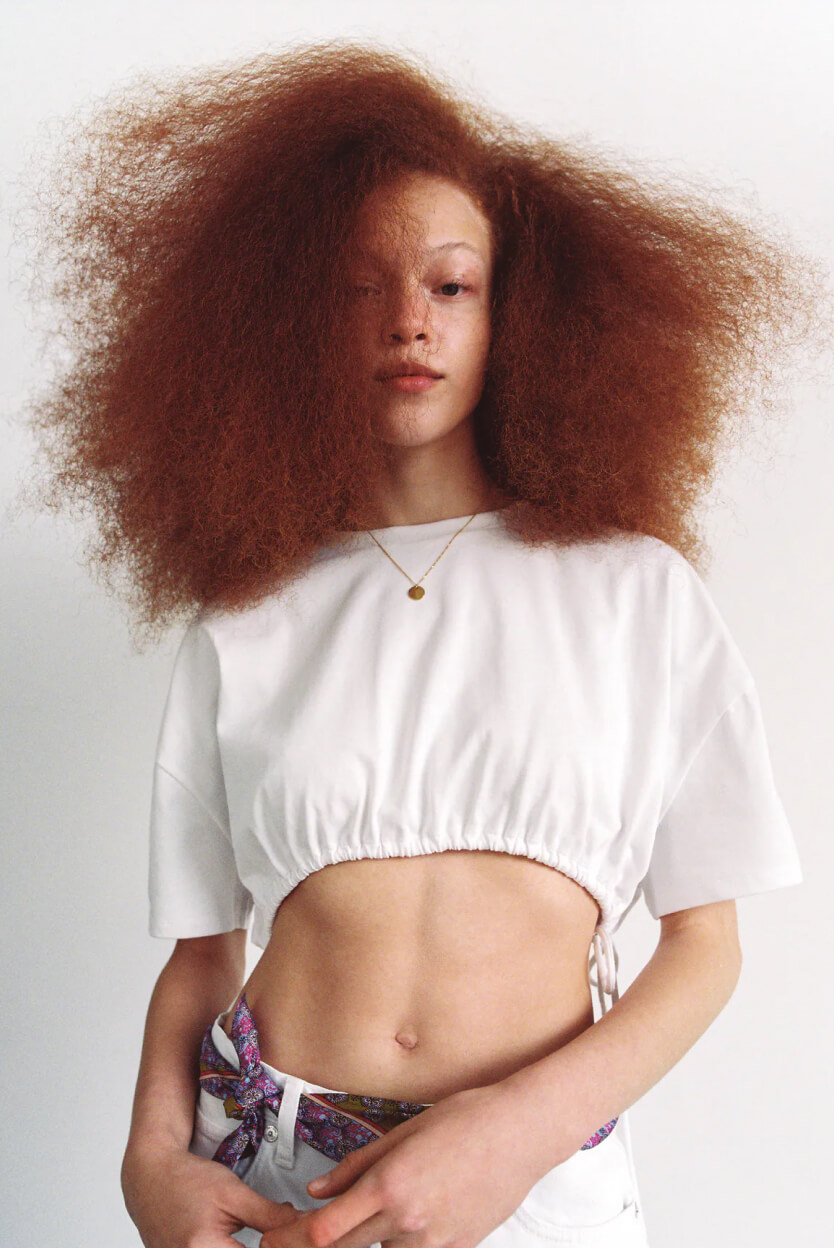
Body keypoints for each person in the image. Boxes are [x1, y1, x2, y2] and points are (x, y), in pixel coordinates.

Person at [17, 39, 825, 1248]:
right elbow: (202, 956)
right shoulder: (247, 615)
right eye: (360, 289)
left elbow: (706, 946)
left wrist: (514, 1133)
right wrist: (149, 1165)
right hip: (273, 1181)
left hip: (534, 1180)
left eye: (451, 287)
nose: (408, 322)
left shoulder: (634, 591)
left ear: (519, 316)